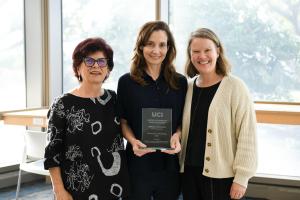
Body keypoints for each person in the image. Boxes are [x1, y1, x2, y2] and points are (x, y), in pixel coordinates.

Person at [44, 37, 130, 200]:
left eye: (102, 61)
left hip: (115, 185)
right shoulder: (63, 103)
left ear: (108, 69)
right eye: (89, 61)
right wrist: (59, 190)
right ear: (78, 67)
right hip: (78, 187)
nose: (96, 66)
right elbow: (51, 153)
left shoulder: (113, 99)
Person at [179, 28, 257, 200]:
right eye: (196, 51)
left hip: (222, 177)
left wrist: (242, 178)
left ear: (218, 51)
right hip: (189, 173)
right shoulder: (188, 87)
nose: (202, 56)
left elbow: (247, 134)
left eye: (207, 50)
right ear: (190, 55)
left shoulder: (235, 87)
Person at [117, 21, 187, 200]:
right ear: (140, 46)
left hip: (169, 164)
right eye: (150, 44)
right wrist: (132, 141)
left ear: (169, 47)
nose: (156, 50)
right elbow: (123, 121)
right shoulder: (126, 82)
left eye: (162, 45)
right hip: (137, 164)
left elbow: (181, 121)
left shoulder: (180, 82)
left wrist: (177, 136)